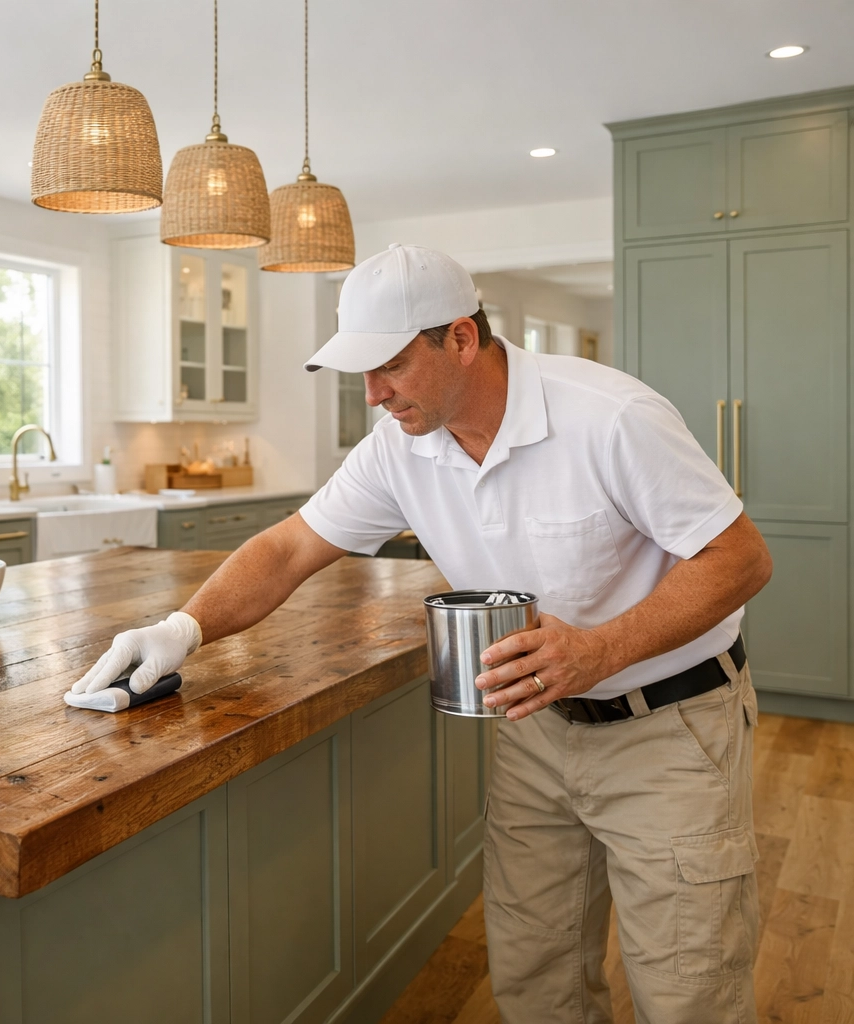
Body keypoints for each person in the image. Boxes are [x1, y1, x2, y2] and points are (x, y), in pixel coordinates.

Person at [70, 243, 773, 1022]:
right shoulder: (401, 449)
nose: (373, 395)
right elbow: (289, 548)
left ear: (461, 340)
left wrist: (598, 649)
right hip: (536, 733)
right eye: (361, 373)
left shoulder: (612, 418)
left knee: (687, 990)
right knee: (536, 974)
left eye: (391, 367)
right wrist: (182, 627)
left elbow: (738, 558)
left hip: (667, 730)